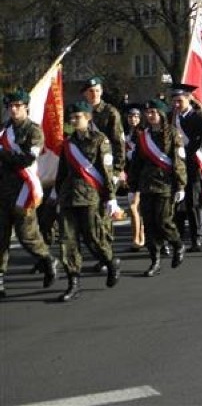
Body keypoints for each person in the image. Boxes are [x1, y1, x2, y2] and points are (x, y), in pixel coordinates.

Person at [54, 101, 121, 301]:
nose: (74, 120)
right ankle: (73, 282)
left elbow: (106, 171)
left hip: (91, 197)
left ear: (88, 117)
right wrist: (56, 194)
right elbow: (62, 172)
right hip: (68, 197)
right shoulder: (68, 143)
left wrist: (111, 198)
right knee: (67, 241)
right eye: (72, 117)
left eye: (78, 117)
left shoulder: (101, 140)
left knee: (94, 238)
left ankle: (110, 262)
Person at [0, 89, 58, 299]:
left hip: (24, 190)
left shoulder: (34, 131)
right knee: (1, 237)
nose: (13, 110)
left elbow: (27, 159)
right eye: (10, 106)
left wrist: (3, 155)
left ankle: (47, 260)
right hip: (3, 191)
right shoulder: (4, 131)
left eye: (17, 106)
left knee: (27, 237)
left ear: (26, 107)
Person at [128, 99, 188, 276]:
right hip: (146, 185)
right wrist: (132, 188)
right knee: (149, 224)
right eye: (148, 113)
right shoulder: (143, 136)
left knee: (163, 221)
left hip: (165, 184)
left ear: (161, 114)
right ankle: (155, 260)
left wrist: (180, 186)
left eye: (154, 112)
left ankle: (178, 244)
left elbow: (179, 161)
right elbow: (136, 164)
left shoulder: (172, 134)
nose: (150, 115)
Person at [81, 76, 125, 273]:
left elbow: (118, 143)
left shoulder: (110, 112)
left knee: (105, 212)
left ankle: (108, 255)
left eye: (97, 90)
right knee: (93, 214)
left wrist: (118, 169)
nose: (94, 94)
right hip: (87, 169)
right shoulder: (81, 112)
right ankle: (102, 253)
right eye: (90, 91)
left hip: (105, 170)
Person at [171, 84, 202, 251]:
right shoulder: (171, 118)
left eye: (179, 101)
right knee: (177, 203)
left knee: (193, 204)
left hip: (193, 166)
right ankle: (178, 238)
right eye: (174, 101)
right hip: (175, 167)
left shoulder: (198, 119)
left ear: (188, 99)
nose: (176, 105)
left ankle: (198, 238)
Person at [123, 103, 145, 251]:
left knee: (134, 207)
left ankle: (138, 238)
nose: (133, 119)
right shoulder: (124, 134)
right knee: (134, 209)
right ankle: (138, 237)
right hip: (129, 175)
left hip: (141, 174)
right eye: (130, 116)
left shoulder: (143, 133)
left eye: (136, 116)